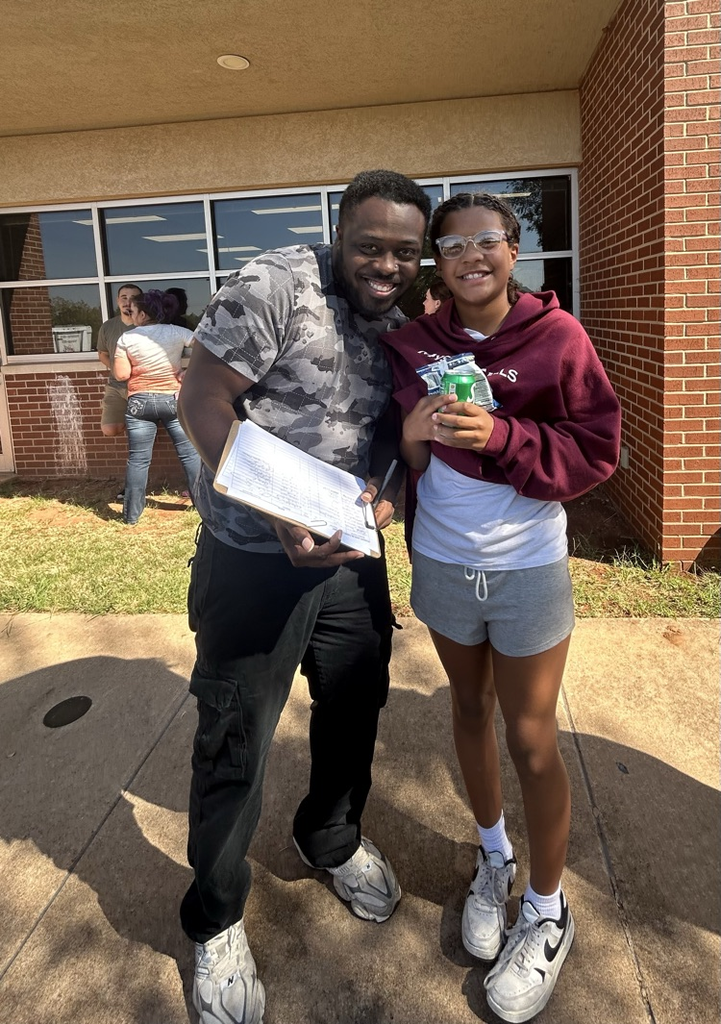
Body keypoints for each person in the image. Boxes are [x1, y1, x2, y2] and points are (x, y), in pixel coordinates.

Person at [176, 169, 430, 1024]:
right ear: (339, 233)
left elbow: (395, 436)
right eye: (369, 246)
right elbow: (201, 396)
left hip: (351, 557)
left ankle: (328, 835)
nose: (385, 265)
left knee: (356, 708)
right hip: (252, 555)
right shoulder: (275, 284)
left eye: (403, 250)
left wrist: (389, 496)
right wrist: (273, 507)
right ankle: (214, 917)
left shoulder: (404, 320)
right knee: (234, 740)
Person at [381, 192, 621, 1024]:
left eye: (486, 240)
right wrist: (416, 434)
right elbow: (404, 452)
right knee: (468, 710)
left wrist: (506, 438)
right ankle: (493, 857)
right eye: (450, 245)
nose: (469, 255)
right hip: (443, 564)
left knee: (531, 734)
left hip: (524, 567)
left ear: (515, 251)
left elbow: (597, 449)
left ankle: (548, 908)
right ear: (436, 264)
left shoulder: (558, 338)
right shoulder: (411, 343)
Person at [113, 289, 201, 526]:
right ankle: (205, 509)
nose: (131, 314)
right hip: (172, 400)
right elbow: (207, 348)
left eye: (133, 311)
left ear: (142, 313)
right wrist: (187, 372)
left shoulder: (126, 339)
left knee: (138, 460)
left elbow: (122, 374)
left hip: (139, 403)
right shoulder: (178, 332)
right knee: (190, 454)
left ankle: (131, 516)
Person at [97, 282, 142, 437]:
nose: (128, 302)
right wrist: (116, 367)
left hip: (142, 386)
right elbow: (102, 353)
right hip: (116, 386)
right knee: (109, 429)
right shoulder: (108, 326)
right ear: (117, 301)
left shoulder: (147, 326)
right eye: (124, 297)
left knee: (141, 433)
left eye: (133, 298)